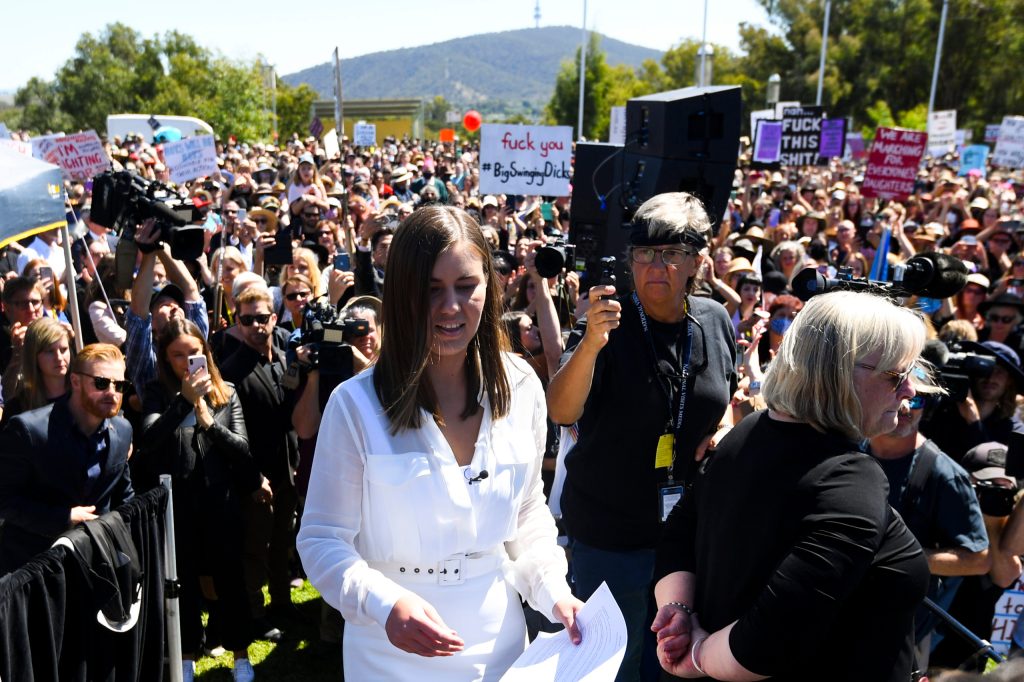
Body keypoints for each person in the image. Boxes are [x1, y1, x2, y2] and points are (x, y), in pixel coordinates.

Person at [297, 205, 582, 681]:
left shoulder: (522, 387)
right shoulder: (354, 405)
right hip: (388, 653)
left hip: (502, 646)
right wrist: (385, 603)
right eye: (432, 290)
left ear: (488, 287)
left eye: (466, 286)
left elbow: (528, 515)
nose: (450, 306)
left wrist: (554, 589)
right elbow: (322, 540)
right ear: (403, 293)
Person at [651, 290, 929, 681]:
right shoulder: (852, 480)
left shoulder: (749, 430)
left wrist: (677, 612)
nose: (910, 391)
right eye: (896, 375)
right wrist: (693, 652)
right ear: (838, 371)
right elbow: (767, 639)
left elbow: (678, 534)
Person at [547, 192, 737, 681]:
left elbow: (724, 398)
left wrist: (723, 429)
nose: (656, 265)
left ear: (696, 261)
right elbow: (561, 409)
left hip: (686, 539)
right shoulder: (607, 322)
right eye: (644, 253)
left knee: (671, 666)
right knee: (608, 669)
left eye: (671, 253)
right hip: (610, 539)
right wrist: (589, 344)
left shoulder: (714, 320)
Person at [138, 320, 257, 682]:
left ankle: (240, 654)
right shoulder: (157, 393)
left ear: (206, 352)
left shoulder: (227, 393)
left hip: (220, 502)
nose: (188, 361)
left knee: (230, 579)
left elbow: (242, 450)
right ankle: (186, 655)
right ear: (165, 359)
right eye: (178, 355)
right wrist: (182, 404)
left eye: (194, 353)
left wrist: (208, 421)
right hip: (179, 506)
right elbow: (149, 441)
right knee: (182, 582)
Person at [868, 367, 989, 665]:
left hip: (902, 638)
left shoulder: (944, 474)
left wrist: (901, 558)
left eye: (919, 399)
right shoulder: (847, 451)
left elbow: (979, 559)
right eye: (898, 393)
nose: (907, 406)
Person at [0, 343, 134, 574]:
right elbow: (4, 499)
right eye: (101, 383)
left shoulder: (122, 430)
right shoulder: (29, 430)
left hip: (95, 565)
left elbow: (124, 495)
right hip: (33, 567)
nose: (112, 393)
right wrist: (63, 517)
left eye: (120, 385)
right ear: (75, 381)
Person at [0, 317, 71, 425]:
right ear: (33, 355)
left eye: (64, 350)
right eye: (49, 351)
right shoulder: (18, 407)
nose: (59, 358)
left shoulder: (83, 396)